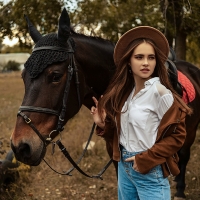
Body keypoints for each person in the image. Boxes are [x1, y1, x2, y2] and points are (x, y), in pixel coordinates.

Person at [90, 26, 192, 200]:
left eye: (151, 57)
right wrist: (103, 125)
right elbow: (127, 134)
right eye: (139, 57)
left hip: (149, 170)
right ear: (129, 61)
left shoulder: (161, 93)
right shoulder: (125, 93)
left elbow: (177, 137)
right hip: (124, 168)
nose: (146, 62)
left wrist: (145, 159)